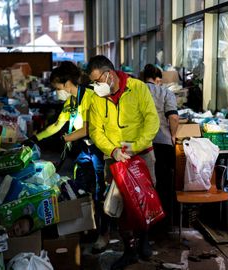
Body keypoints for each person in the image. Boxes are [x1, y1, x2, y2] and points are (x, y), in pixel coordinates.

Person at [23, 61, 109, 252]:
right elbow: (56, 125)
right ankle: (87, 228)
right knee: (80, 188)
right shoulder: (70, 102)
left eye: (57, 87)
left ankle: (104, 233)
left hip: (98, 149)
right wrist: (34, 138)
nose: (56, 91)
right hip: (83, 151)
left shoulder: (89, 97)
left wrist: (68, 137)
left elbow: (88, 128)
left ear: (67, 82)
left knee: (99, 192)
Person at [87, 55, 160, 270]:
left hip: (141, 153)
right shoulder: (97, 97)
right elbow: (95, 130)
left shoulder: (137, 88)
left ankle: (144, 240)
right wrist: (113, 150)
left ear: (109, 75)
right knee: (118, 204)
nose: (95, 86)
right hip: (114, 157)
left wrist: (135, 146)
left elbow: (151, 120)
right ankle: (129, 250)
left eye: (97, 81)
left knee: (144, 199)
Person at [142, 64, 179, 230]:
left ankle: (145, 221)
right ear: (157, 79)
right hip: (163, 143)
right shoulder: (165, 92)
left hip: (141, 144)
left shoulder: (136, 91)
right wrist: (173, 134)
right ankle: (164, 223)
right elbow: (173, 117)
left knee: (143, 184)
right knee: (164, 183)